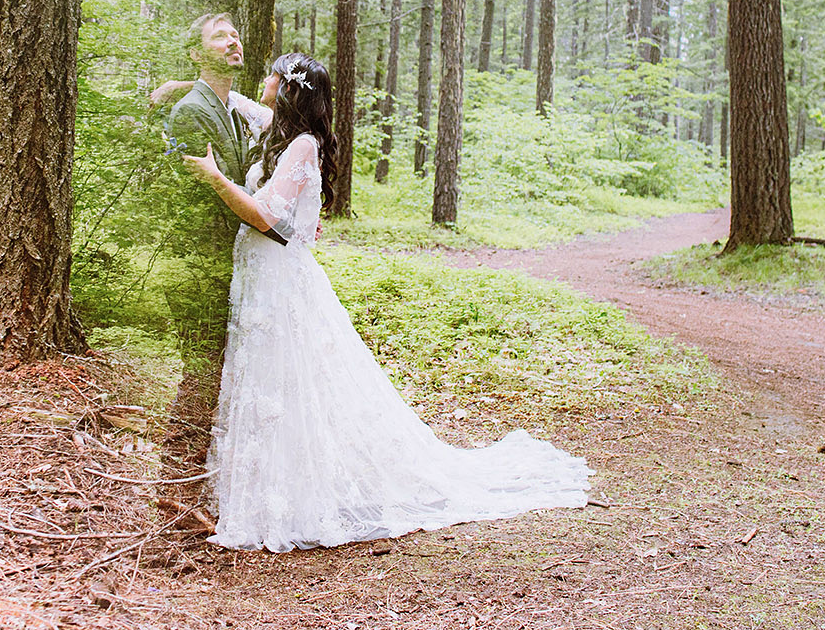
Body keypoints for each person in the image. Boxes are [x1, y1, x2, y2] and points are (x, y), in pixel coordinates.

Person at [180, 52, 591, 552]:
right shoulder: (280, 131)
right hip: (261, 279)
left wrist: (215, 178)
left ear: (287, 89)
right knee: (272, 382)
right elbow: (245, 105)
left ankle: (292, 499)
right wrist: (186, 85)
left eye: (272, 74)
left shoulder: (302, 147)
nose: (262, 80)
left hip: (280, 279)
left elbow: (268, 219)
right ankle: (272, 488)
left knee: (288, 382)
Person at [153, 13, 279, 484]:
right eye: (220, 36)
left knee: (221, 371)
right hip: (200, 265)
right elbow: (196, 198)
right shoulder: (190, 110)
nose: (233, 42)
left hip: (231, 262)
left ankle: (208, 482)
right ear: (195, 53)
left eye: (235, 35)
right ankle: (174, 489)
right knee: (202, 374)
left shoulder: (228, 107)